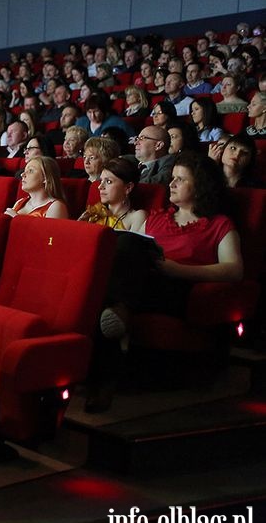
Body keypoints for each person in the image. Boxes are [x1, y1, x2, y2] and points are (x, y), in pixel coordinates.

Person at [89, 153, 243, 412]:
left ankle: (106, 367)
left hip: (182, 287)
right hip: (145, 281)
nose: (171, 184)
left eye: (180, 179)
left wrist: (178, 269)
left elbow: (234, 270)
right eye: (172, 178)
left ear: (201, 185)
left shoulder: (218, 224)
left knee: (111, 295)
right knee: (123, 245)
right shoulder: (158, 217)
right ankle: (116, 326)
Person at [79, 157, 148, 232]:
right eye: (101, 181)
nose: (100, 187)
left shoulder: (137, 216)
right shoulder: (95, 214)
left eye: (108, 181)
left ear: (128, 187)